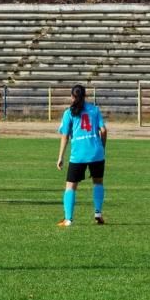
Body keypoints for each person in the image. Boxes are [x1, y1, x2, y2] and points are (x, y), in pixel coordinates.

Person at [56, 84, 107, 226]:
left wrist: (60, 157)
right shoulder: (95, 110)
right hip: (96, 153)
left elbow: (65, 137)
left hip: (78, 154)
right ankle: (98, 213)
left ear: (72, 97)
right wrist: (102, 147)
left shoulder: (68, 113)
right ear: (85, 96)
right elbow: (103, 130)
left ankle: (68, 219)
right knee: (98, 182)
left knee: (70, 187)